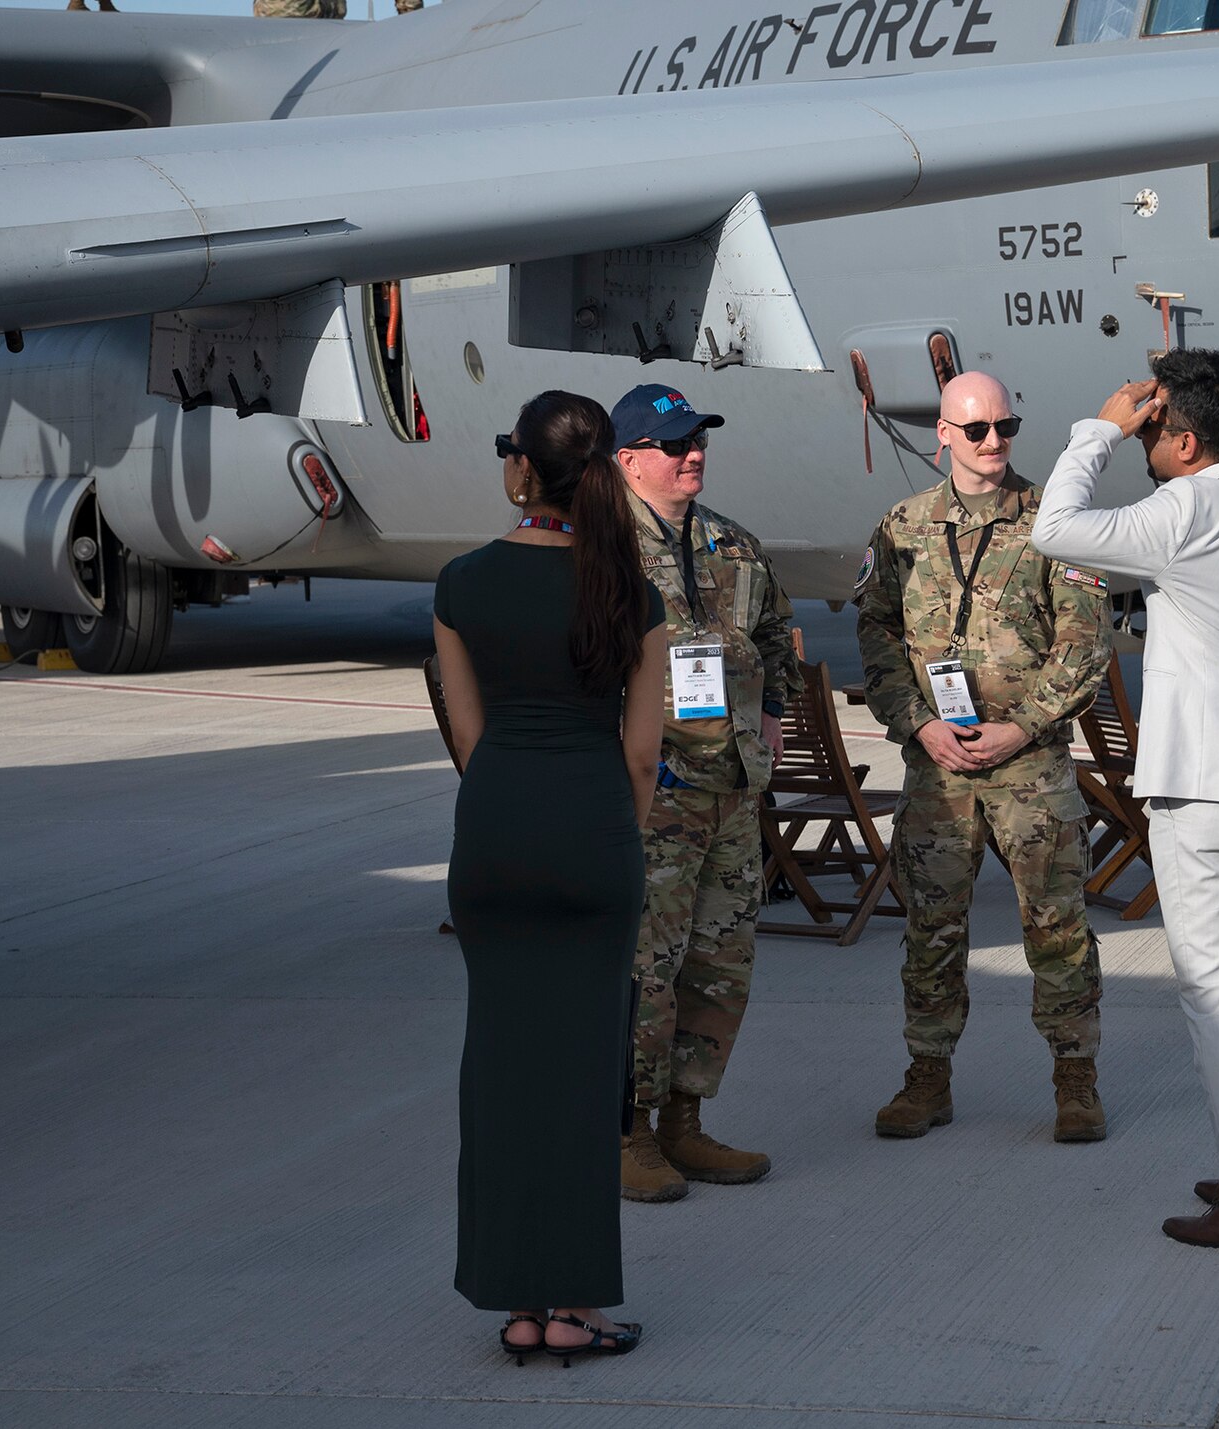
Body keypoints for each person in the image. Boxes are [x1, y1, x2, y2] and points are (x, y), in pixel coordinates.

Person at [1030, 350, 1219, 1255]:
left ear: (1187, 440)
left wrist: (1097, 428)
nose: (1144, 440)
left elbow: (1055, 525)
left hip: (1203, 790)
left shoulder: (1179, 513)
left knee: (1217, 997)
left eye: (1154, 428)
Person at [433, 391, 665, 1362]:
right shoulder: (631, 591)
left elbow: (468, 732)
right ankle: (572, 1305)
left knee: (499, 1071)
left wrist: (510, 799)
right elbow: (644, 754)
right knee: (580, 1078)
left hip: (495, 830)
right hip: (590, 833)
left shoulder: (460, 584)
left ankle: (515, 1301)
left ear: (519, 469)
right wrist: (615, 833)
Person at [856, 371, 1111, 1143]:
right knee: (932, 926)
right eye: (977, 429)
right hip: (939, 768)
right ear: (944, 434)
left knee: (1057, 925)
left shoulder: (1053, 521)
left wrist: (1024, 723)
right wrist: (915, 724)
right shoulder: (901, 526)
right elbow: (876, 632)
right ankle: (926, 1077)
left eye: (1006, 426)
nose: (994, 441)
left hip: (1028, 765)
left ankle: (1076, 1081)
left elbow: (1087, 642)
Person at [613, 382, 801, 1203]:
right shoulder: (598, 552)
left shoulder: (734, 544)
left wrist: (776, 718)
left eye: (698, 440)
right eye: (674, 442)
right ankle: (628, 1131)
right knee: (642, 969)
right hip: (649, 796)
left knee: (720, 962)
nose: (693, 453)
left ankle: (686, 1120)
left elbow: (776, 639)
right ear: (627, 460)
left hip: (730, 788)